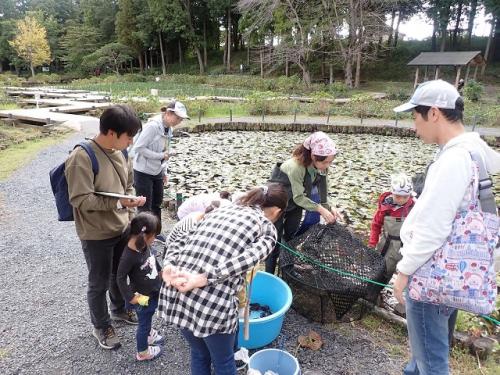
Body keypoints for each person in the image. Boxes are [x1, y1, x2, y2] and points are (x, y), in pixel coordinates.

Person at [392, 79, 500, 375]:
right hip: (452, 274)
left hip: (431, 277)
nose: (414, 125)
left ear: (434, 113)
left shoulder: (454, 159)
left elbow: (433, 226)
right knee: (424, 352)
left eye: (416, 116)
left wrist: (403, 274)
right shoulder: (474, 153)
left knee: (432, 363)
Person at [158, 183, 288, 375]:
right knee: (224, 361)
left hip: (176, 287)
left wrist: (168, 265)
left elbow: (180, 237)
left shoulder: (223, 208)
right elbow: (244, 262)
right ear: (277, 210)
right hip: (211, 303)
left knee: (199, 353)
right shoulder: (267, 229)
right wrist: (201, 279)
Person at [65, 105, 147, 350]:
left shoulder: (121, 152)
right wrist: (119, 202)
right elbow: (80, 199)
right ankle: (101, 325)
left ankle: (120, 309)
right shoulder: (82, 157)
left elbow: (129, 185)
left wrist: (129, 206)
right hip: (96, 233)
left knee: (119, 274)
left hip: (120, 227)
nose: (131, 141)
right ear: (111, 133)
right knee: (98, 281)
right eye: (128, 136)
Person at [267, 131, 341, 274]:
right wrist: (320, 209)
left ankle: (287, 269)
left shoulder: (322, 167)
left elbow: (323, 190)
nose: (327, 165)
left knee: (291, 237)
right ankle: (270, 274)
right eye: (325, 162)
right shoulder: (296, 167)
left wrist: (330, 207)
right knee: (274, 240)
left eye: (330, 162)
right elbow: (299, 197)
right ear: (313, 156)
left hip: (295, 204)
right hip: (277, 203)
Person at [132, 101, 189, 231]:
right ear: (168, 113)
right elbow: (139, 148)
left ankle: (156, 232)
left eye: (181, 119)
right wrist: (161, 156)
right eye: (178, 118)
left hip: (157, 170)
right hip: (143, 171)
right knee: (145, 207)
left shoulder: (169, 129)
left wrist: (164, 172)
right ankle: (143, 236)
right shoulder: (152, 126)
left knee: (157, 204)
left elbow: (166, 150)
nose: (179, 121)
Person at [117, 212, 164, 361]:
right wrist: (131, 298)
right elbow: (120, 278)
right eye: (153, 236)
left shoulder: (143, 246)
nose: (155, 239)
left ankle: (149, 334)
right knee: (144, 322)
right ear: (143, 236)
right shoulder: (128, 256)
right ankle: (142, 352)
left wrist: (161, 271)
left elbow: (152, 259)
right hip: (142, 296)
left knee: (148, 316)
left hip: (153, 289)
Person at [368, 173, 415, 282]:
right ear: (392, 193)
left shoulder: (414, 207)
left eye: (405, 197)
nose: (402, 200)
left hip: (407, 245)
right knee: (383, 270)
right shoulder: (386, 207)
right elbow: (376, 225)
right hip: (387, 244)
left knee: (408, 272)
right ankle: (374, 291)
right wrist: (372, 242)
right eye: (398, 196)